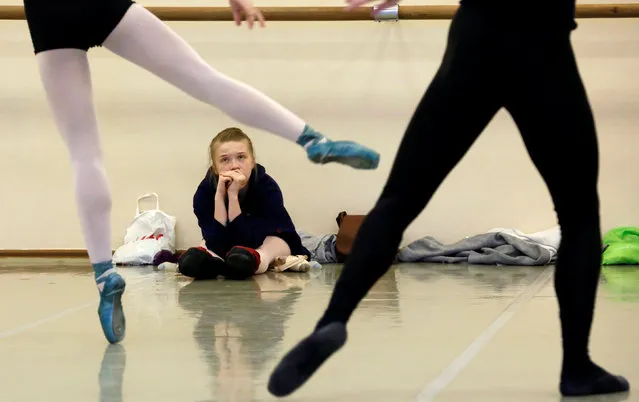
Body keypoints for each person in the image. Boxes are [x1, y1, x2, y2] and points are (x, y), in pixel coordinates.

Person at [267, 0, 630, 398]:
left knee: (399, 200)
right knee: (579, 216)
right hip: (540, 40)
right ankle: (577, 367)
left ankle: (333, 321)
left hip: (476, 35)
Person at [21, 0, 379, 345]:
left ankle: (104, 275)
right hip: (101, 4)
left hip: (47, 14)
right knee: (207, 81)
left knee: (84, 154)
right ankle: (311, 139)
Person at [178, 127, 312, 280]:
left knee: (252, 255)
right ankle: (217, 264)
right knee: (192, 261)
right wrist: (220, 196)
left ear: (252, 161)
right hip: (225, 242)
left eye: (241, 157)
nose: (234, 165)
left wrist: (233, 196)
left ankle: (250, 261)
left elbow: (248, 241)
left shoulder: (268, 188)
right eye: (225, 160)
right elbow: (215, 242)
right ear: (215, 167)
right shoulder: (204, 192)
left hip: (269, 239)